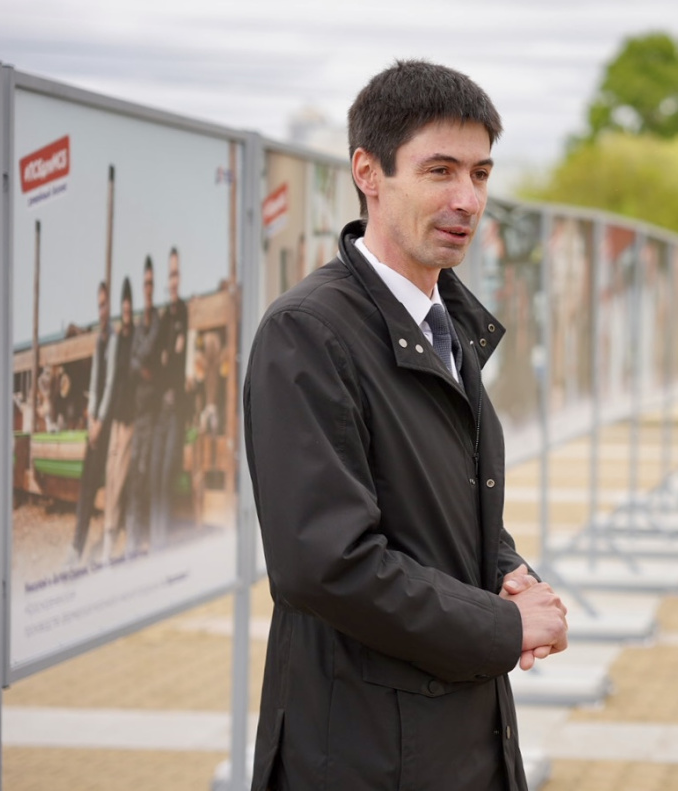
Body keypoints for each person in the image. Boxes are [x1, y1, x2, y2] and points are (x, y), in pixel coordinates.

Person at [243, 60, 569, 791]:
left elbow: (442, 504)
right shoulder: (309, 332)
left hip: (461, 730)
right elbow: (326, 563)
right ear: (369, 171)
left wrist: (506, 573)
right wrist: (505, 627)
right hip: (363, 748)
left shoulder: (448, 321)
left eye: (480, 174)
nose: (466, 199)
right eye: (439, 170)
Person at [66, 281, 112, 568]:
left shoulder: (114, 340)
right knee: (86, 488)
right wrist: (91, 420)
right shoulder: (98, 340)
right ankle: (76, 547)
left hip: (109, 428)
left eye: (105, 304)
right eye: (99, 305)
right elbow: (95, 386)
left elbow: (110, 384)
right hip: (94, 425)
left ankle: (105, 550)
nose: (102, 310)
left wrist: (100, 422)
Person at [150, 247, 188, 550]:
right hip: (161, 405)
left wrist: (169, 358)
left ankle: (161, 538)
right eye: (170, 274)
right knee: (156, 468)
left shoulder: (183, 313)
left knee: (166, 469)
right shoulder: (165, 319)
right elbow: (160, 358)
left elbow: (175, 358)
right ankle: (156, 535)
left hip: (177, 407)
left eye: (176, 274)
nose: (173, 280)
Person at [100, 276, 136, 563]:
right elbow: (111, 379)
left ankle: (111, 533)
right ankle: (109, 531)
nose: (126, 315)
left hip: (131, 418)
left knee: (120, 474)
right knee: (110, 476)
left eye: (128, 309)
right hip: (115, 418)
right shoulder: (118, 339)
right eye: (123, 310)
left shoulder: (134, 337)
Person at [128, 256, 161, 554]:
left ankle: (147, 536)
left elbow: (148, 349)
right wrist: (141, 363)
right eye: (146, 283)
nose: (149, 288)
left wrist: (139, 359)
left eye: (152, 283)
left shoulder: (157, 322)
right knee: (135, 472)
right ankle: (135, 535)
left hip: (153, 411)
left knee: (147, 471)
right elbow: (133, 361)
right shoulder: (141, 324)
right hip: (137, 411)